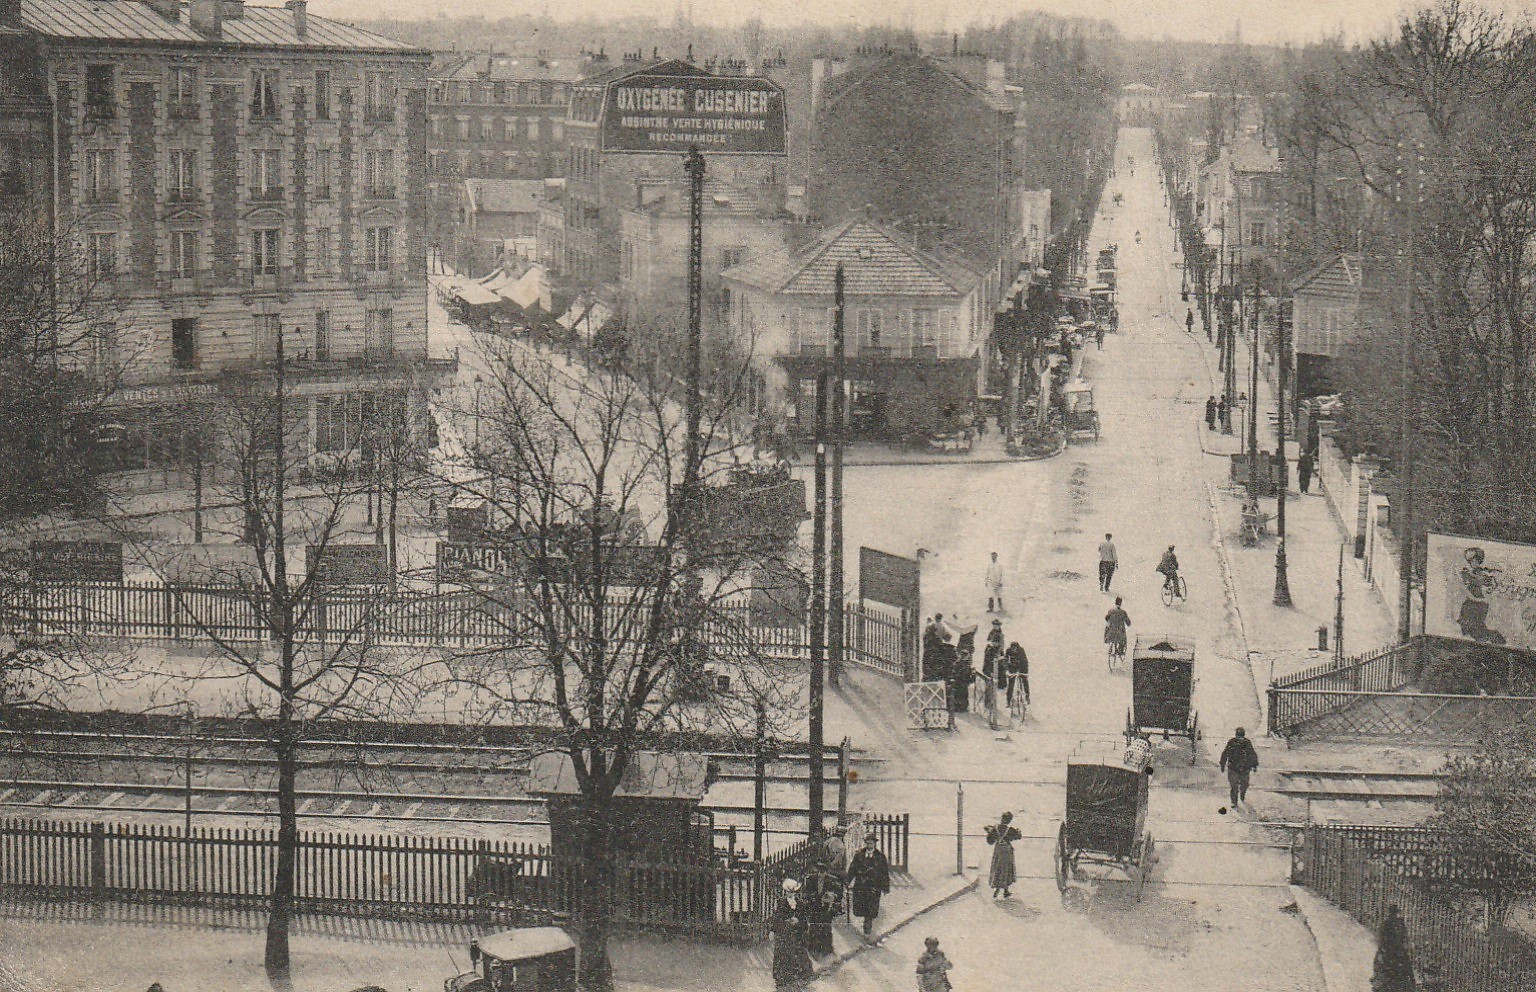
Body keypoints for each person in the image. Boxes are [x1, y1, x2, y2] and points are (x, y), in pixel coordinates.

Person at [770, 878, 814, 989]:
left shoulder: (801, 904)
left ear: (795, 892)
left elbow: (804, 921)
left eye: (792, 892)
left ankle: (798, 976)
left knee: (798, 953)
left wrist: (798, 921)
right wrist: (773, 930)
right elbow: (776, 918)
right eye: (787, 892)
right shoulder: (781, 902)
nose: (789, 894)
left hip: (797, 934)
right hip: (784, 934)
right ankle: (782, 978)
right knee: (783, 954)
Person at [846, 835, 891, 939]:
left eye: (871, 843)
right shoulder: (859, 855)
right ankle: (866, 925)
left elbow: (884, 872)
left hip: (873, 888)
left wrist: (885, 887)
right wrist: (848, 881)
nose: (869, 845)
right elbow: (852, 868)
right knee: (860, 908)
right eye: (868, 843)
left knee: (870, 911)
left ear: (875, 844)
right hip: (860, 887)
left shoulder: (880, 857)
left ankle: (867, 930)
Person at [802, 860, 842, 958]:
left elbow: (839, 893)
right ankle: (813, 948)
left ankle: (826, 948)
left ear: (826, 872)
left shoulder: (832, 880)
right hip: (815, 907)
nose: (821, 874)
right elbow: (806, 893)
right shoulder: (811, 879)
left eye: (823, 872)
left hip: (826, 908)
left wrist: (833, 896)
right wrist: (816, 897)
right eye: (819, 871)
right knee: (814, 927)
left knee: (826, 927)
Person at [1372, 904, 1415, 992]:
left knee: (1384, 969)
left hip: (1392, 951)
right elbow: (1403, 938)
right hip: (1394, 951)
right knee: (1404, 969)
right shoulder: (1396, 924)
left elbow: (1382, 938)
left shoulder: (1391, 924)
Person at [1218, 727, 1260, 809]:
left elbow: (1252, 754)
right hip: (1233, 768)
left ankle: (1242, 794)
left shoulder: (1247, 743)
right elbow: (1225, 753)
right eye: (1238, 736)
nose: (1240, 738)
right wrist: (1222, 764)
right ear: (1236, 735)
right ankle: (1234, 802)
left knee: (1244, 784)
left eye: (1241, 736)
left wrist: (1254, 765)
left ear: (1243, 736)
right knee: (1234, 785)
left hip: (1245, 768)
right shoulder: (1231, 742)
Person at [986, 811, 1022, 898]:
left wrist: (989, 831)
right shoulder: (1010, 830)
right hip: (1007, 850)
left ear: (1001, 819)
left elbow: (990, 841)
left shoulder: (995, 828)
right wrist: (1018, 832)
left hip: (998, 849)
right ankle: (1006, 891)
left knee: (997, 867)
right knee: (1007, 869)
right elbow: (1018, 837)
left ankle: (997, 889)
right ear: (1009, 821)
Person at [1004, 641, 1030, 707]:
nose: (1014, 650)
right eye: (1013, 649)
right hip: (1012, 667)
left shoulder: (1021, 650)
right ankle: (1008, 700)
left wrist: (1022, 672)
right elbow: (1006, 660)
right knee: (1011, 684)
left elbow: (1024, 661)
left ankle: (1027, 696)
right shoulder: (1008, 651)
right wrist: (1006, 670)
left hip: (1022, 667)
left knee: (1025, 681)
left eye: (1015, 649)